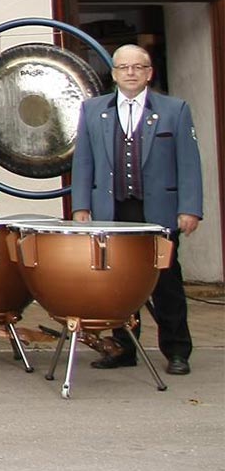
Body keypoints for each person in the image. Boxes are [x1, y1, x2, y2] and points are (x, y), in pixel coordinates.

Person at [70, 44, 202, 376]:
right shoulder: (93, 110)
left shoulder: (175, 109)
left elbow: (188, 164)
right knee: (117, 282)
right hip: (112, 210)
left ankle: (176, 350)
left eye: (138, 67)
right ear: (114, 73)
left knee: (166, 282)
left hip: (158, 211)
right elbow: (83, 162)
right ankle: (124, 347)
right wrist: (81, 206)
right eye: (124, 67)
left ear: (149, 73)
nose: (131, 72)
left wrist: (190, 208)